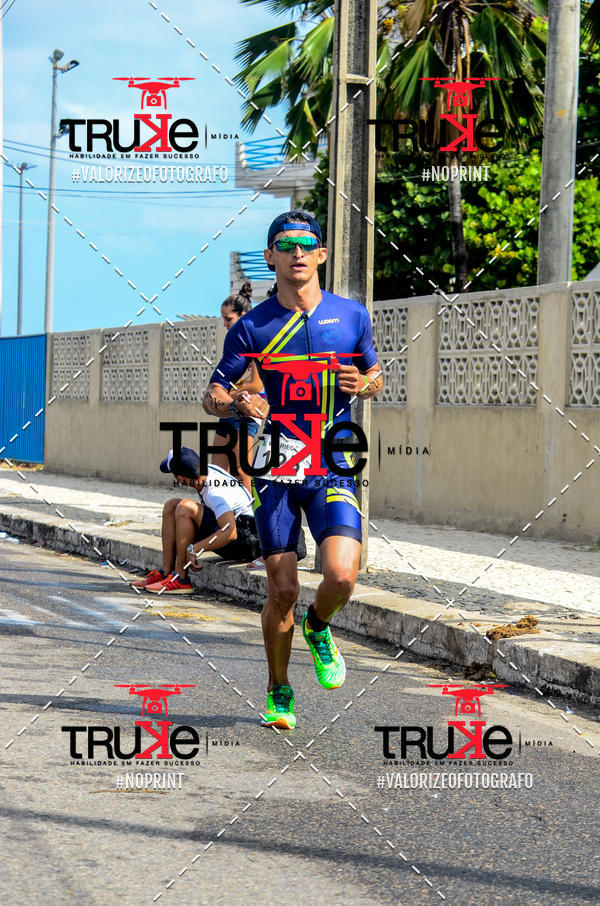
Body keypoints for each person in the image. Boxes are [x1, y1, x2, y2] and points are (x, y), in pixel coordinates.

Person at [202, 209, 383, 730]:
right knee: (281, 587)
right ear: (271, 257)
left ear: (321, 254)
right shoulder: (254, 326)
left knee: (343, 574)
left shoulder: (351, 315)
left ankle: (319, 625)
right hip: (278, 458)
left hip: (331, 457)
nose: (297, 252)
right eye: (286, 244)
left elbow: (375, 374)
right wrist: (237, 401)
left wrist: (363, 385)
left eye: (307, 244)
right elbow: (213, 393)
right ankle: (279, 690)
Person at [130, 447, 261, 594]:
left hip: (245, 542)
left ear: (180, 478)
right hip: (237, 530)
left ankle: (180, 579)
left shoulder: (215, 492)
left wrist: (196, 548)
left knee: (185, 508)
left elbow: (231, 532)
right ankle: (166, 572)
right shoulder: (205, 472)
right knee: (171, 505)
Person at [211, 282, 265, 495]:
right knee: (216, 472)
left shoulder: (256, 340)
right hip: (231, 408)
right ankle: (219, 515)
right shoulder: (234, 344)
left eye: (228, 319)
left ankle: (251, 521)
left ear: (242, 316)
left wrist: (226, 396)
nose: (224, 324)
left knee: (241, 470)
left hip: (248, 410)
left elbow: (256, 385)